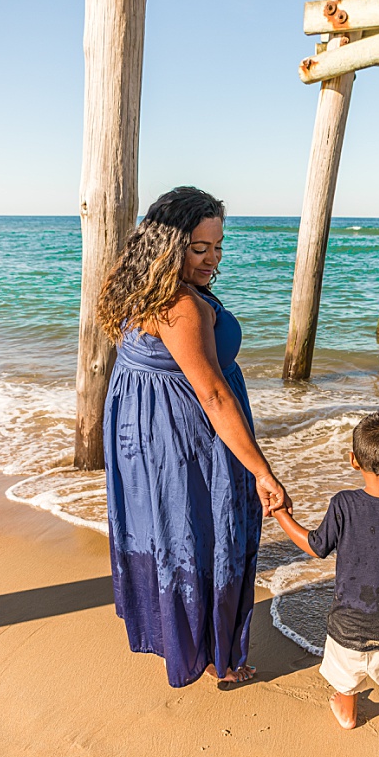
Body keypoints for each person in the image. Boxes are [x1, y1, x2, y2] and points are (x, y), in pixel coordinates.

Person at [98, 186, 289, 689]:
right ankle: (215, 657)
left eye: (218, 247)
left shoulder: (139, 286)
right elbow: (213, 396)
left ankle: (189, 641)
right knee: (205, 535)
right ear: (168, 245)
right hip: (180, 437)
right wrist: (261, 471)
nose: (212, 260)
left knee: (172, 534)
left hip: (143, 433)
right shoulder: (181, 304)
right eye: (199, 248)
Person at [271, 409, 379, 734]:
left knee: (346, 680)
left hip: (346, 627)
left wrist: (281, 516)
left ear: (353, 459)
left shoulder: (343, 504)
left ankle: (348, 714)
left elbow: (315, 546)